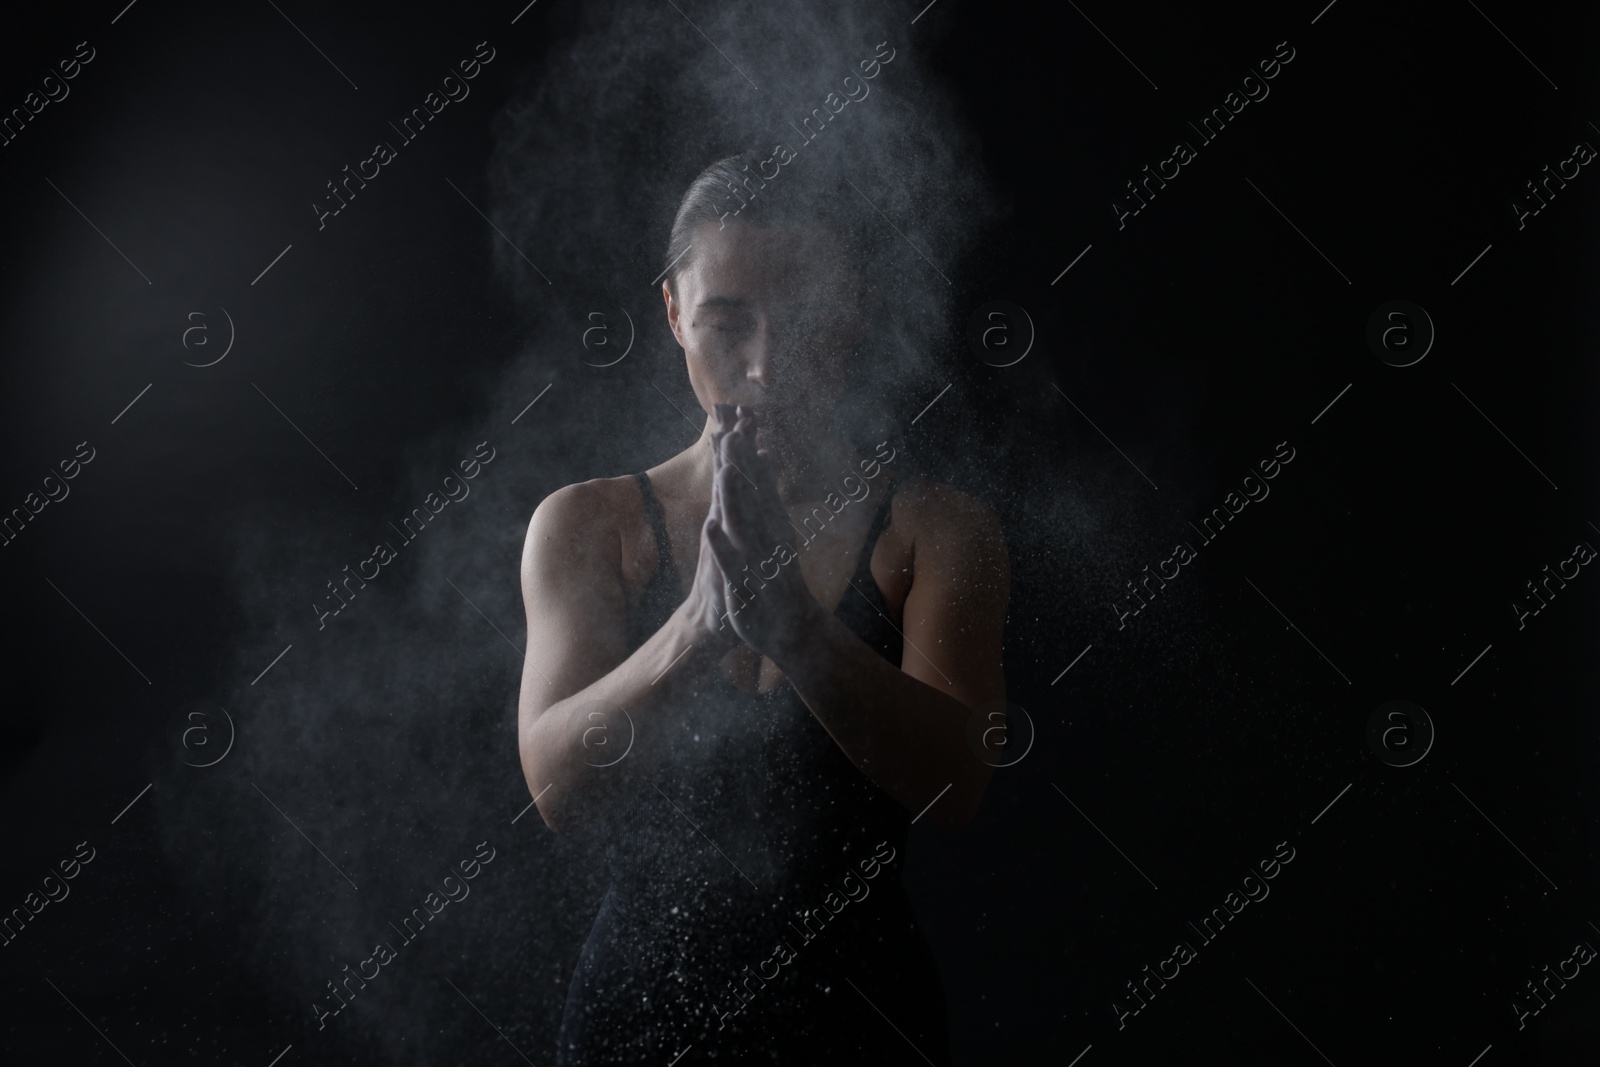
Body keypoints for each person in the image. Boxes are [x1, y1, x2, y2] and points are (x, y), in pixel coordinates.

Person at [516, 151, 1009, 1064]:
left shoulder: (935, 530)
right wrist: (697, 624)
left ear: (854, 313)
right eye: (726, 324)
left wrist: (798, 630)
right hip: (635, 1028)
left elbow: (960, 784)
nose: (766, 366)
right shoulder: (588, 523)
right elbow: (555, 786)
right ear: (672, 313)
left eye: (806, 320)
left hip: (865, 1027)